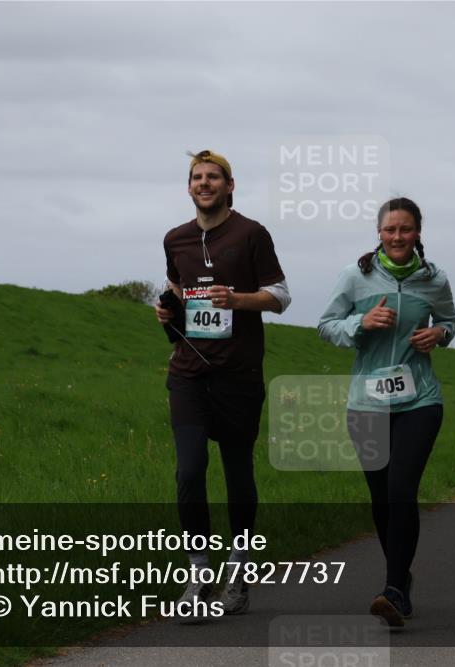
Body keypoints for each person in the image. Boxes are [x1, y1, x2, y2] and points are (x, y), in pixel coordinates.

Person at [154, 149, 290, 618]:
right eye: (197, 177)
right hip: (188, 373)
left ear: (230, 185)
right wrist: (167, 311)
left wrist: (237, 300)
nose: (205, 183)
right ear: (188, 186)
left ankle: (240, 566)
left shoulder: (251, 234)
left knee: (237, 475)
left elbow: (280, 297)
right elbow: (177, 290)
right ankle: (197, 573)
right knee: (189, 472)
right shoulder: (176, 239)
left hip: (239, 376)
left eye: (214, 177)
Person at [318, 197, 455, 628]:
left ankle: (394, 588)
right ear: (378, 234)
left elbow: (451, 322)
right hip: (367, 403)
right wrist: (360, 324)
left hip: (420, 401)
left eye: (406, 229)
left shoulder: (434, 279)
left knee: (400, 489)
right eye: (389, 230)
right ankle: (400, 577)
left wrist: (439, 333)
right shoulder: (355, 277)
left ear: (419, 233)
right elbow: (326, 326)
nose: (397, 237)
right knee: (381, 499)